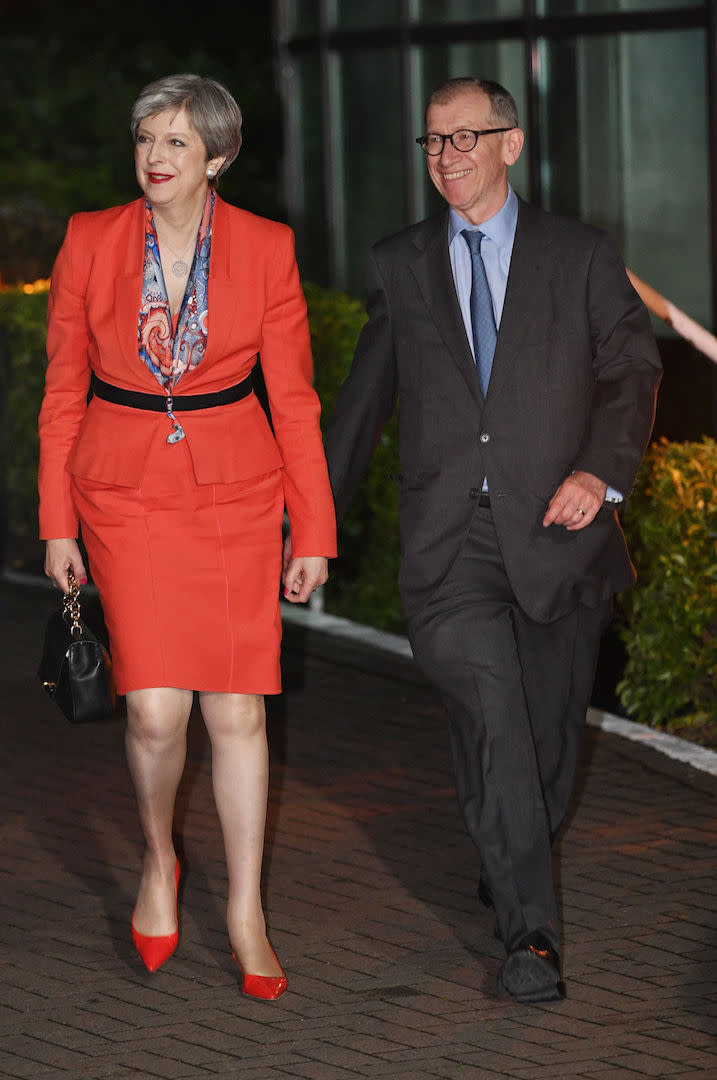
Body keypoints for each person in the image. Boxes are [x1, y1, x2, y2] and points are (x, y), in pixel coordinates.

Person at [321, 77, 661, 1003]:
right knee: (495, 721)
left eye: (468, 136)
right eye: (433, 141)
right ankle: (531, 938)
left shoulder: (578, 255)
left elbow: (630, 369)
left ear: (512, 144)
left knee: (546, 744)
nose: (448, 155)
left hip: (560, 533)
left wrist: (599, 471)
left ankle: (509, 850)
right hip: (447, 547)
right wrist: (309, 526)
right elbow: (360, 409)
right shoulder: (400, 263)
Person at [39, 73, 337, 1000]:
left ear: (217, 157)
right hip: (123, 493)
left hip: (238, 497)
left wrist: (312, 529)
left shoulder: (265, 247)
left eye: (175, 143)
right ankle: (160, 857)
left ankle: (246, 908)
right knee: (157, 711)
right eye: (145, 140)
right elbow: (62, 393)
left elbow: (292, 400)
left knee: (240, 710)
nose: (155, 159)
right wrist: (56, 523)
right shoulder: (91, 238)